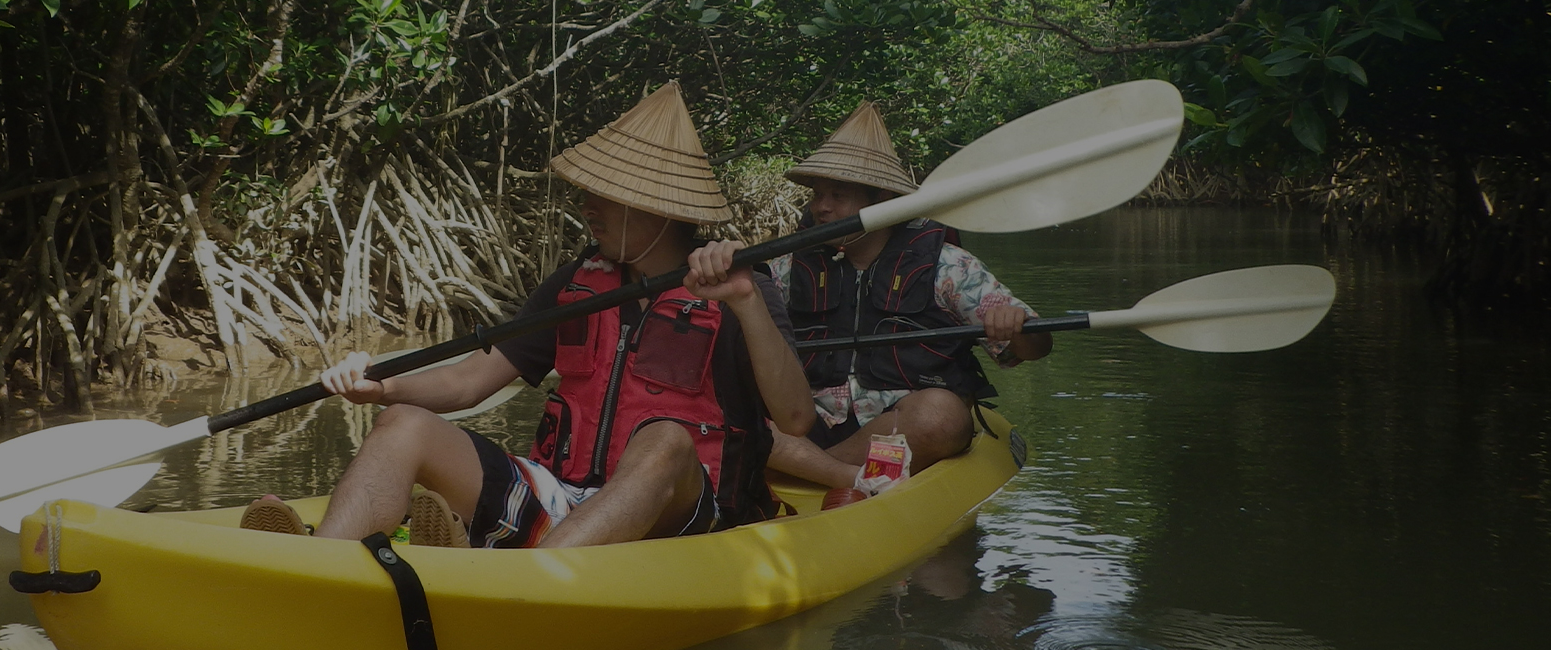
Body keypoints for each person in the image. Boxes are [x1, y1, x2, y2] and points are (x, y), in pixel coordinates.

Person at [239, 82, 815, 548]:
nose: (586, 205)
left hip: (687, 513)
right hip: (564, 496)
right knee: (403, 424)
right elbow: (470, 380)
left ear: (658, 210)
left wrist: (743, 300)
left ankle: (525, 575)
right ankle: (324, 567)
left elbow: (794, 418)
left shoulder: (744, 290)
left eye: (605, 196)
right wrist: (382, 387)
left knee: (666, 439)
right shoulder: (578, 283)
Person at [765, 102, 1052, 505]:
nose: (821, 207)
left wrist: (1018, 327)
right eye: (818, 195)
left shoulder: (946, 265)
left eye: (838, 195)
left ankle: (800, 469)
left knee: (942, 414)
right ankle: (843, 476)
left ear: (881, 199)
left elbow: (1034, 349)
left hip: (896, 428)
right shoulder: (785, 270)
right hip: (807, 425)